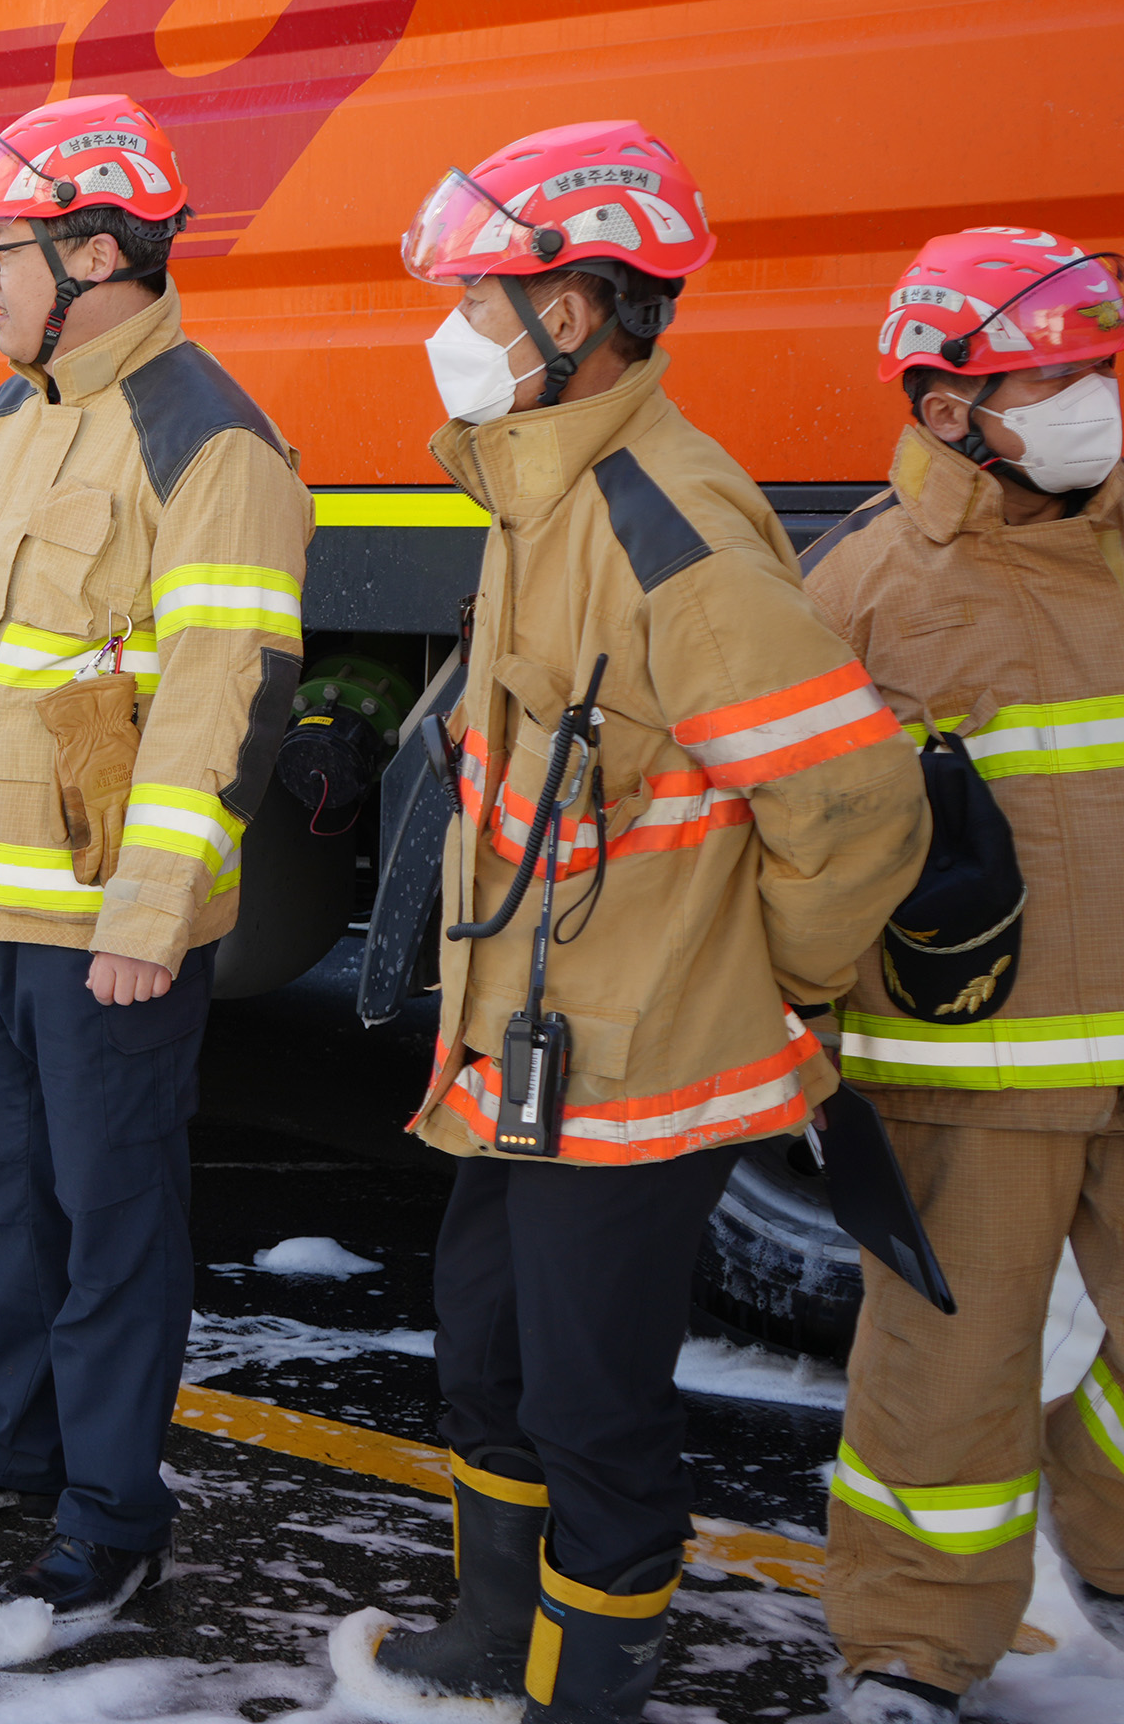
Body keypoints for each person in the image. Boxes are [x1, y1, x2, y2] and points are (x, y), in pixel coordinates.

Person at [331, 121, 926, 1724]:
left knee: (593, 1402)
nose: (453, 320)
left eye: (483, 291)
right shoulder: (543, 491)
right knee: (487, 1352)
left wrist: (771, 983)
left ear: (577, 312)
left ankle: (590, 1678)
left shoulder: (675, 530)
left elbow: (856, 803)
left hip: (640, 1059)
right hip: (524, 1050)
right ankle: (492, 1631)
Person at [0, 93, 313, 1635]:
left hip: (102, 928)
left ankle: (111, 1509)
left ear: (97, 251)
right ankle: (13, 1448)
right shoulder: (4, 418)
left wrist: (150, 915)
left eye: (6, 248)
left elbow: (222, 698)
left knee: (113, 1221)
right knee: (3, 1200)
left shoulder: (210, 437)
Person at [799, 228, 1124, 1723]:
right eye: (1052, 375)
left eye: (1097, 367)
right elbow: (800, 845)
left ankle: (1112, 1555)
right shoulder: (862, 592)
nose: (1090, 398)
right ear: (948, 407)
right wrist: (794, 1026)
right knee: (949, 1373)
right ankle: (913, 1650)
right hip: (968, 1069)